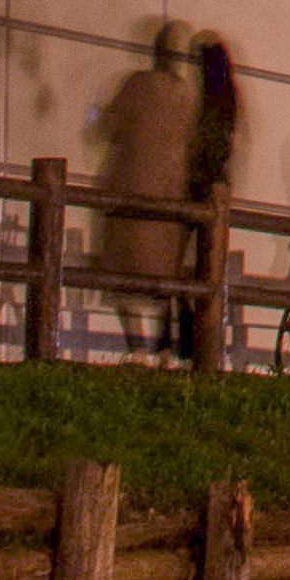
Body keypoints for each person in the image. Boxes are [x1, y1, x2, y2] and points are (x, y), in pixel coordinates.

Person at [95, 25, 194, 355]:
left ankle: (136, 346)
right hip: (170, 197)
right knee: (166, 275)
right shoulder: (187, 96)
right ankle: (163, 347)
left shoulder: (136, 86)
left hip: (129, 193)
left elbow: (107, 125)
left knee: (125, 273)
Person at [180, 34, 239, 356]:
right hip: (214, 184)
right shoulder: (227, 100)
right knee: (203, 266)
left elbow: (206, 145)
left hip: (202, 185)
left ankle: (191, 342)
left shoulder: (212, 104)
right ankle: (195, 340)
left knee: (190, 265)